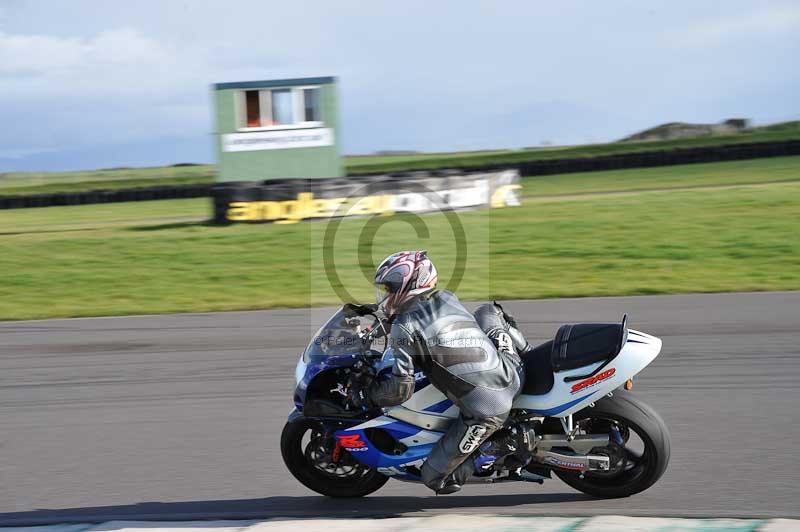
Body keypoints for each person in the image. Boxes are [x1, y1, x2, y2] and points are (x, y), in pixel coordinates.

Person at [364, 250, 530, 494]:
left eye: (389, 288)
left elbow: (401, 390)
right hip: (512, 367)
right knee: (488, 311)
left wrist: (368, 395)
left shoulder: (404, 328)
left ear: (408, 285)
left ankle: (501, 444)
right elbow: (418, 323)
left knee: (434, 478)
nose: (385, 295)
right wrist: (378, 327)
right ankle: (530, 353)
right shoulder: (445, 297)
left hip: (489, 407)